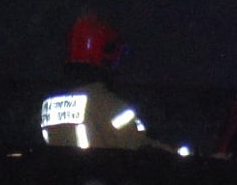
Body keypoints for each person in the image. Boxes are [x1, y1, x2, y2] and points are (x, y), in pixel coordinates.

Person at [39, 13, 177, 152]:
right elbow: (140, 144)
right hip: (100, 166)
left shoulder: (48, 105)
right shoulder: (109, 105)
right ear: (104, 53)